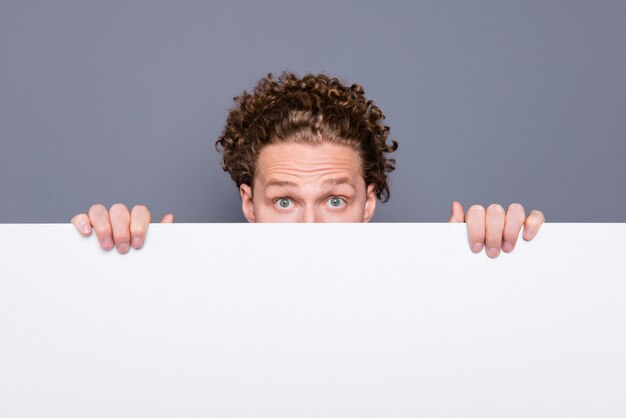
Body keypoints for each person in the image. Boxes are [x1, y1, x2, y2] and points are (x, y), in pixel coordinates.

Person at [71, 71, 545, 258]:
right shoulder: (192, 306)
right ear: (249, 203)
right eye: (284, 200)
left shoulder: (423, 305)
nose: (310, 225)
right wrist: (113, 264)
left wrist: (492, 268)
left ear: (368, 203)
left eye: (335, 199)